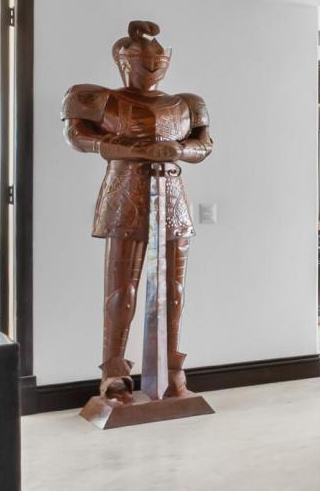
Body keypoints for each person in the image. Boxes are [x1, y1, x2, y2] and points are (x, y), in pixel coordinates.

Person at [62, 21, 213, 405]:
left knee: (173, 290)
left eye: (158, 60)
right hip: (125, 190)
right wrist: (132, 150)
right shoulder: (99, 98)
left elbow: (203, 145)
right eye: (143, 60)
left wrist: (178, 151)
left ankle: (172, 370)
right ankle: (114, 373)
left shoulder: (187, 103)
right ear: (124, 61)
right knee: (121, 290)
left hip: (172, 194)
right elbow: (78, 136)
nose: (152, 67)